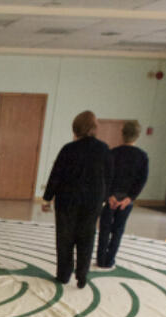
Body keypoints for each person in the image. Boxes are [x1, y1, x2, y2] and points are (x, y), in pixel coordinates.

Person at [41, 110, 111, 289]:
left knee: (65, 238)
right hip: (92, 202)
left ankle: (63, 275)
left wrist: (47, 198)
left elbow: (56, 175)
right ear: (94, 128)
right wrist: (104, 198)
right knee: (86, 237)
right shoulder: (103, 149)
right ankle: (82, 275)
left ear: (76, 128)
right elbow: (110, 176)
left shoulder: (68, 149)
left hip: (67, 201)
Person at [96, 120, 149, 269]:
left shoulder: (112, 153)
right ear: (138, 136)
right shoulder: (142, 156)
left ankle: (100, 259)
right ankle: (110, 260)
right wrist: (129, 198)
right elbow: (142, 180)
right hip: (126, 200)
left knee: (105, 229)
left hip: (111, 199)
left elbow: (105, 176)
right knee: (118, 230)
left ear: (122, 134)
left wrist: (109, 196)